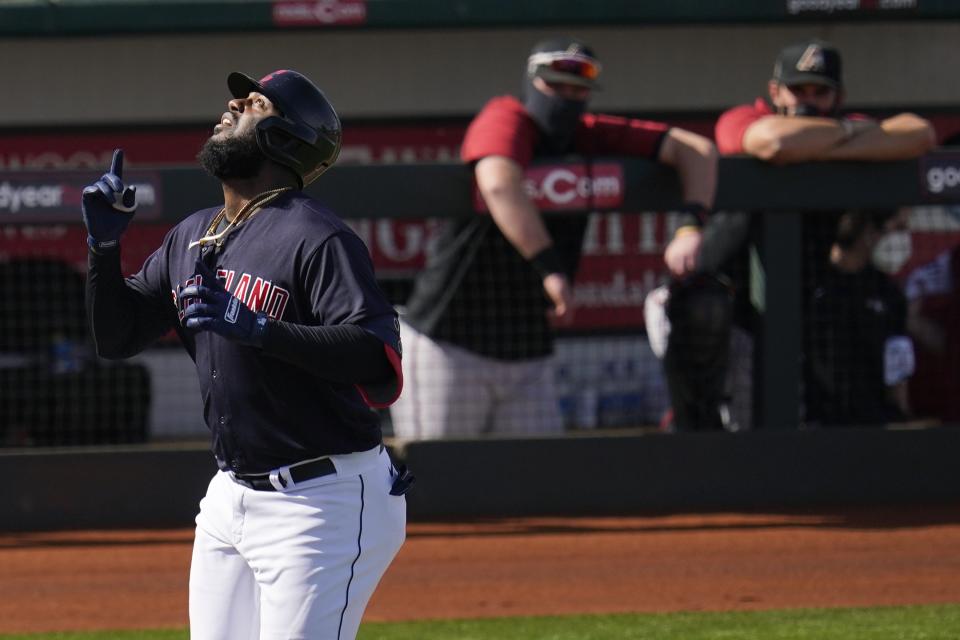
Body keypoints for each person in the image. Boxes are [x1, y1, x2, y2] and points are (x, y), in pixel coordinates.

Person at [82, 69, 412, 640]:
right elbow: (118, 337)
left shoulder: (318, 237)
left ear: (287, 138)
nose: (232, 103)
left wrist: (261, 328)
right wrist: (104, 249)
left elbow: (372, 355)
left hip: (321, 501)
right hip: (229, 495)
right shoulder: (193, 234)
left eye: (255, 102)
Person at [390, 37, 717, 440]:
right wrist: (550, 269)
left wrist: (690, 226)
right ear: (533, 82)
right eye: (555, 85)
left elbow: (697, 150)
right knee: (437, 481)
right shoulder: (507, 116)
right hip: (449, 341)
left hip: (528, 349)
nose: (567, 97)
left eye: (577, 89)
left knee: (536, 484)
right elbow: (497, 183)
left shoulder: (590, 134)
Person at [714, 39, 935, 428]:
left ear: (839, 95)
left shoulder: (841, 125)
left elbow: (920, 134)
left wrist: (823, 141)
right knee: (745, 425)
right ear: (775, 92)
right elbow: (775, 142)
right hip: (738, 293)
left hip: (812, 291)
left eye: (820, 92)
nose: (809, 100)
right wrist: (851, 142)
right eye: (798, 90)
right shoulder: (744, 117)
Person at [805, 210, 915, 426]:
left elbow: (898, 375)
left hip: (874, 420)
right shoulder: (814, 284)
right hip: (821, 420)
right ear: (867, 232)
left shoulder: (887, 293)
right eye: (896, 228)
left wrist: (901, 414)